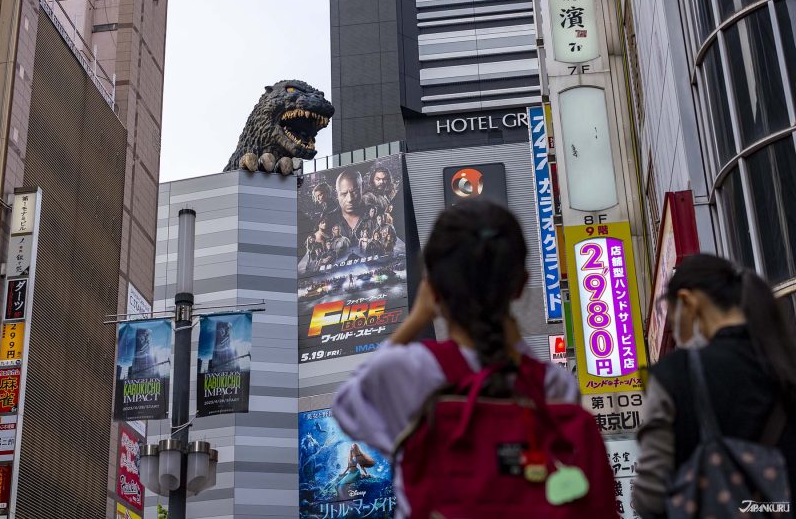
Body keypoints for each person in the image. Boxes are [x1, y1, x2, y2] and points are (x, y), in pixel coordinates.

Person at [332, 199, 579, 518]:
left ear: (433, 290)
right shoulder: (554, 384)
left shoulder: (407, 370)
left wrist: (416, 318)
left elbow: (347, 403)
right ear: (519, 286)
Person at [633, 254, 796, 517]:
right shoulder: (784, 358)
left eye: (675, 326)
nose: (679, 337)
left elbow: (650, 497)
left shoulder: (675, 374)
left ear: (688, 301)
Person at [326, 170, 366, 246]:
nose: (350, 199)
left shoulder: (378, 213)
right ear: (336, 194)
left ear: (362, 187)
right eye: (344, 194)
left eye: (354, 191)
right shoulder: (328, 221)